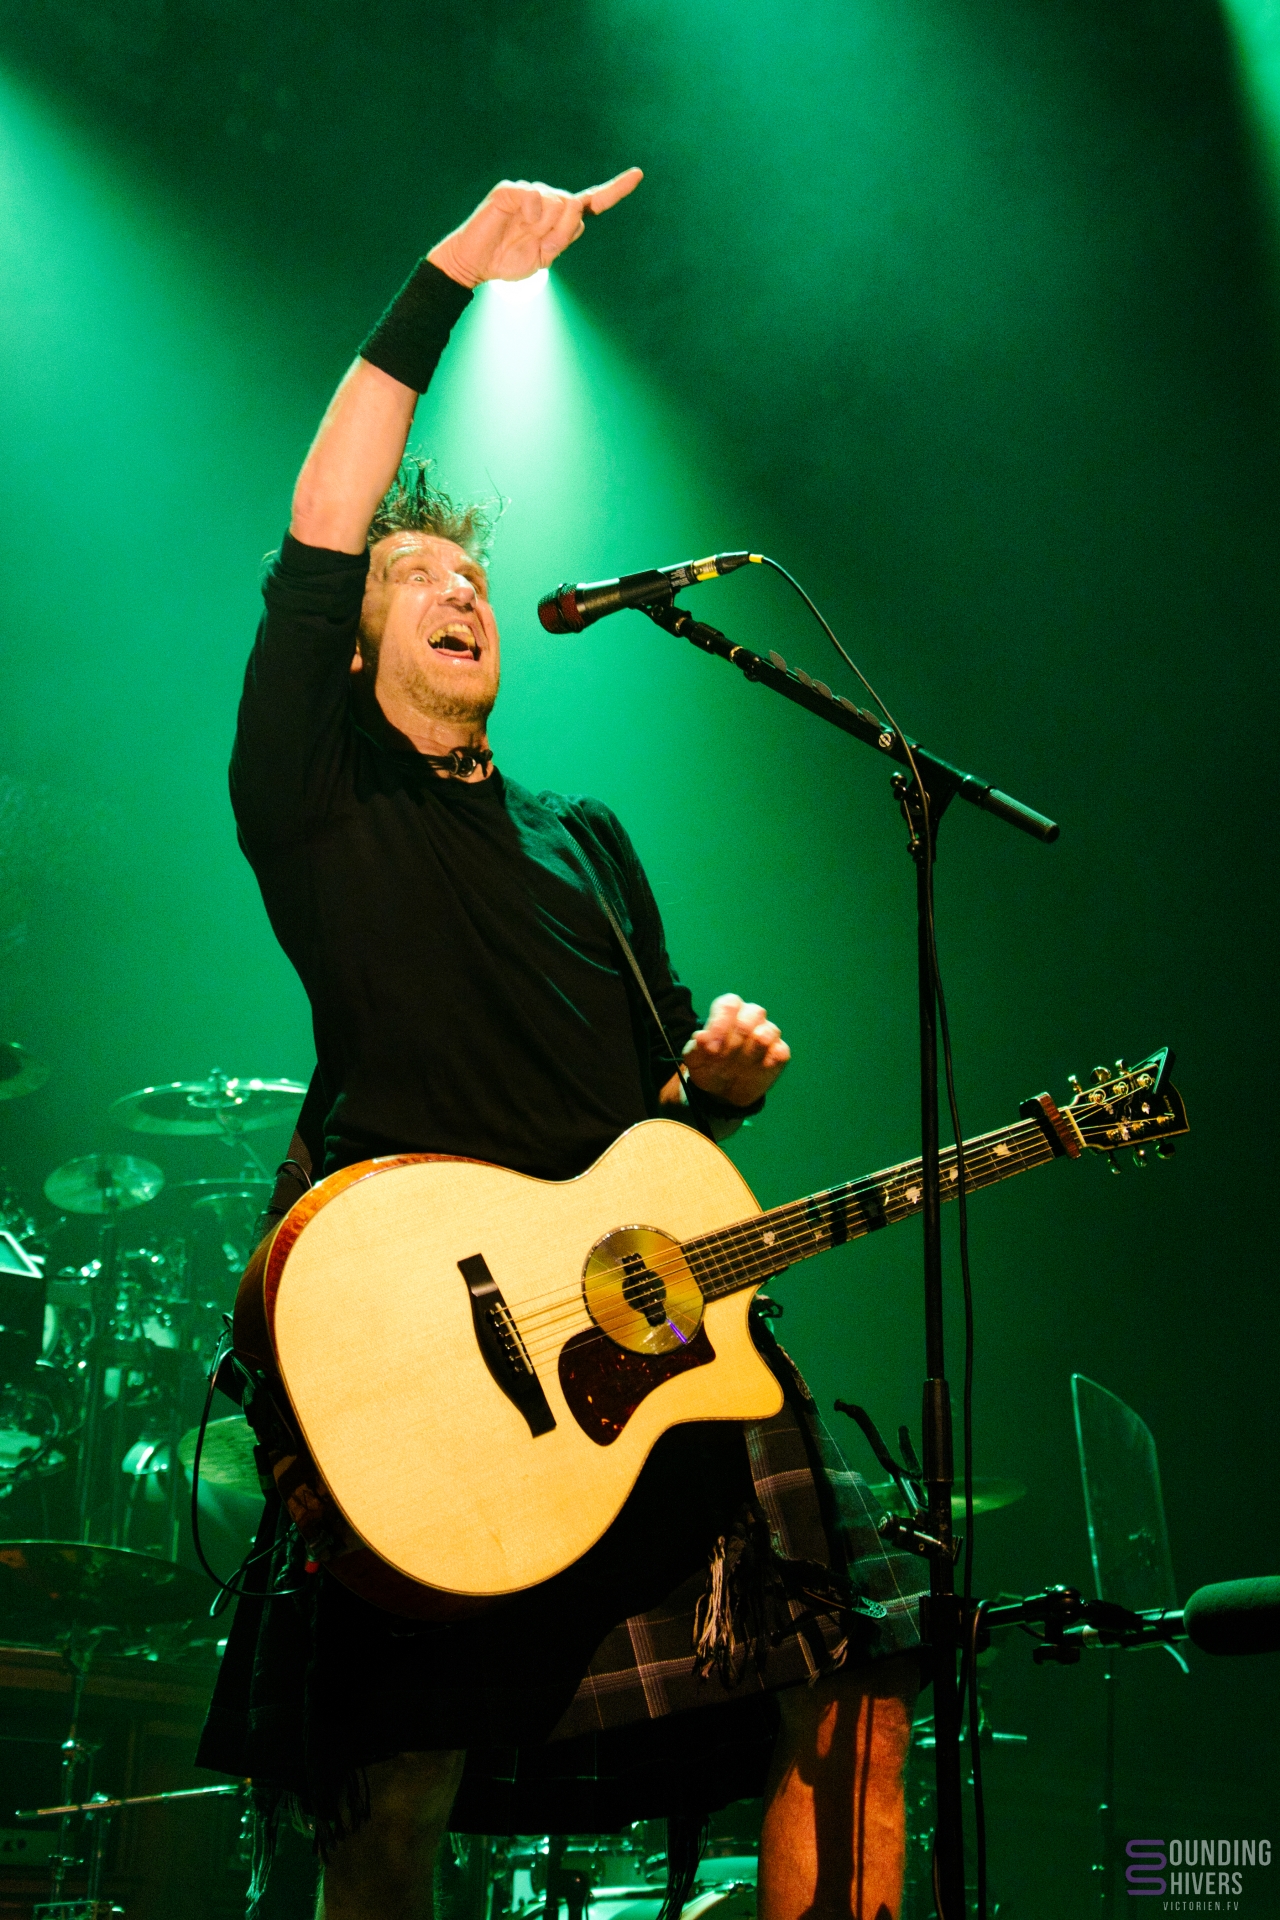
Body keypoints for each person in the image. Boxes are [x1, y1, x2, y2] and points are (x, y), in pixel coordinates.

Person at [198, 172, 926, 1920]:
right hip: (431, 1353)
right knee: (391, 1789)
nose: (458, 592)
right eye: (416, 580)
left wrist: (717, 1085)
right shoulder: (314, 796)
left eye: (472, 576)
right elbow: (327, 513)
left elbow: (655, 1118)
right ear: (349, 646)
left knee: (856, 1686)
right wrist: (453, 271)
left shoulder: (585, 838)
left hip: (639, 1346)